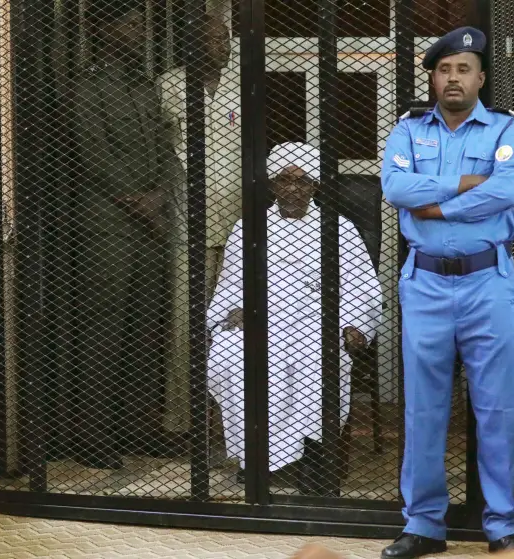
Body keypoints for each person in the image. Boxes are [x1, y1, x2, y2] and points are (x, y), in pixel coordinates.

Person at [380, 27, 514, 558]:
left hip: (487, 282)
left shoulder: (506, 128)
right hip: (425, 284)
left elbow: (508, 189)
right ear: (433, 78)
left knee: (497, 408)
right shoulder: (407, 129)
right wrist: (467, 183)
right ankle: (424, 525)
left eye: (463, 69)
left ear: (480, 77)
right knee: (423, 408)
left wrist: (437, 205)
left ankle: (501, 523)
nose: (453, 78)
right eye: (444, 69)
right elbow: (396, 188)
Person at [206, 142, 382, 494]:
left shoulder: (338, 228)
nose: (292, 189)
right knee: (230, 354)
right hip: (261, 319)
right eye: (284, 180)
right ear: (272, 185)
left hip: (317, 320)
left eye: (302, 181)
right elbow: (231, 284)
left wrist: (353, 324)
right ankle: (255, 458)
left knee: (317, 359)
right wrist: (233, 310)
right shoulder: (248, 227)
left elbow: (362, 285)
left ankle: (312, 458)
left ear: (315, 186)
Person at [70, 0, 184, 469]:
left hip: (150, 222)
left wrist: (160, 194)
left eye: (142, 24)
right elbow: (92, 153)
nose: (140, 32)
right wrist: (136, 200)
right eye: (131, 25)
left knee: (146, 326)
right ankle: (92, 435)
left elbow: (165, 148)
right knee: (104, 328)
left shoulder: (143, 86)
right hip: (107, 226)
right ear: (105, 30)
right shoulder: (85, 87)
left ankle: (139, 427)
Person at [156, 14, 234, 436]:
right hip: (188, 221)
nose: (223, 46)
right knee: (186, 322)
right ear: (193, 44)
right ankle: (183, 420)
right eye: (214, 39)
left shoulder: (242, 84)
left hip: (236, 224)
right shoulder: (169, 85)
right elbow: (159, 150)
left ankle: (230, 422)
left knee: (232, 324)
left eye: (226, 38)